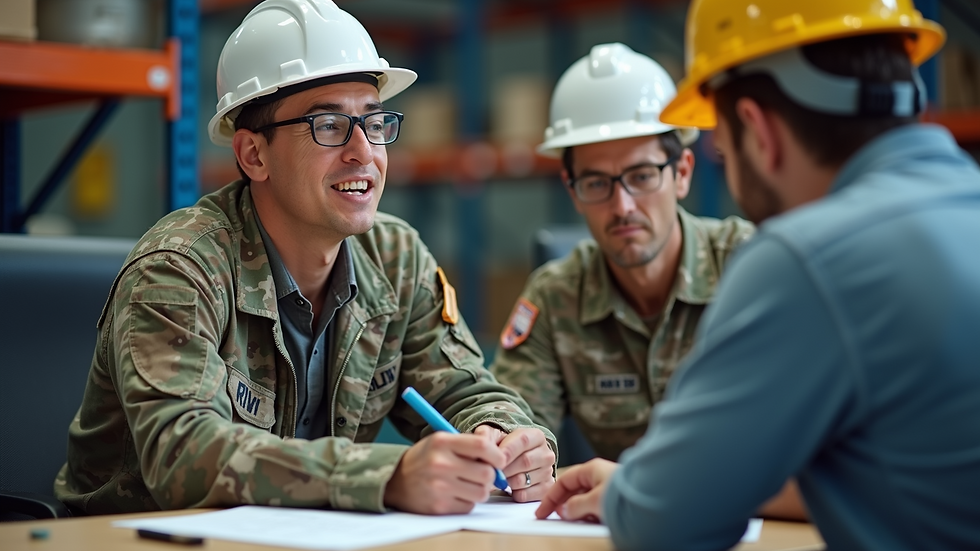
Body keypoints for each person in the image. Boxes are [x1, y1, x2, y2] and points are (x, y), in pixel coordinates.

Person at [54, 0, 556, 516]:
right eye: (330, 125)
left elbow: (466, 388)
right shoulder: (179, 269)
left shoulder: (396, 256)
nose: (365, 151)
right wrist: (384, 477)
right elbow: (184, 453)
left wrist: (504, 436)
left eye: (374, 122)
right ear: (254, 155)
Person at [537, 0, 980, 549]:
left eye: (720, 142)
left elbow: (666, 520)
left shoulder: (801, 260)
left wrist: (636, 489)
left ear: (755, 129)